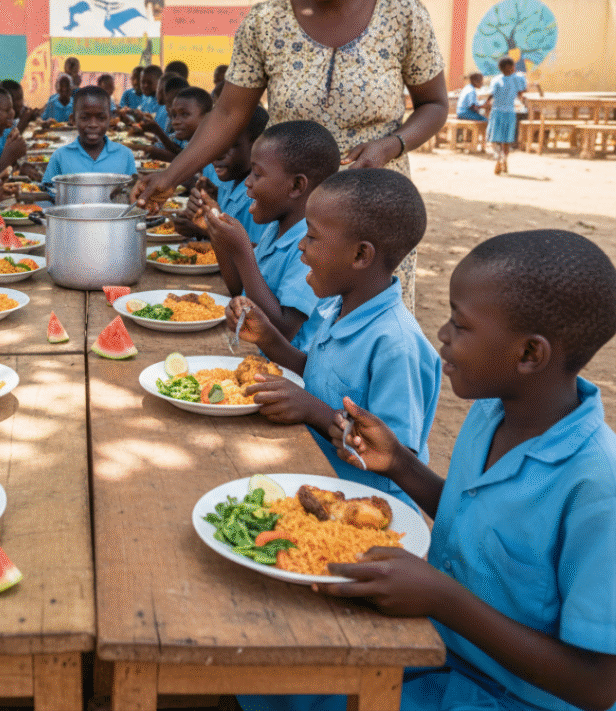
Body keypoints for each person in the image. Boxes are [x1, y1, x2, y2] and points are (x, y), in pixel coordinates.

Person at [245, 231, 616, 711]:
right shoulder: (492, 413)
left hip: (511, 699)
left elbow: (597, 685)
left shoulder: (597, 487)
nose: (441, 334)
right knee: (271, 666)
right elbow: (471, 520)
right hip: (435, 649)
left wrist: (445, 600)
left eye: (461, 326)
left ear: (529, 354)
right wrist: (399, 464)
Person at [132, 0, 448, 312]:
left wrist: (392, 143)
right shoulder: (266, 23)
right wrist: (169, 176)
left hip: (376, 210)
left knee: (367, 332)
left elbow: (434, 104)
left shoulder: (404, 14)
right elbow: (227, 114)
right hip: (294, 211)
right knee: (286, 325)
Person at [226, 168, 441, 508]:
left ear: (360, 255)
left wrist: (313, 411)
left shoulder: (396, 345)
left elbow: (391, 456)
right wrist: (269, 339)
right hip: (316, 477)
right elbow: (318, 374)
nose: (301, 245)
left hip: (364, 508)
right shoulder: (338, 305)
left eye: (311, 237)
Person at [208, 120, 339, 342]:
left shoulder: (311, 246)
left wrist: (241, 251)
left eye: (257, 174)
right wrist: (220, 241)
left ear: (297, 186)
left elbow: (284, 329)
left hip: (295, 372)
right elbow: (240, 289)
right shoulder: (276, 228)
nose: (248, 182)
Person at [174, 107, 269, 243]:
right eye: (215, 146)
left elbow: (260, 254)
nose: (217, 155)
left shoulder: (258, 198)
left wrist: (205, 230)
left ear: (256, 146)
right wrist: (207, 209)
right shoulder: (227, 184)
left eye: (229, 145)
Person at [41, 86, 137, 185]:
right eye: (84, 118)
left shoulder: (124, 155)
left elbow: (132, 190)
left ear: (110, 119)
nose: (93, 124)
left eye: (101, 118)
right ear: (73, 120)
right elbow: (47, 192)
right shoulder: (60, 156)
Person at [487, 56, 520, 175]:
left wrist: (486, 104)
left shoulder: (496, 80)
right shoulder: (517, 79)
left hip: (497, 113)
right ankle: (504, 159)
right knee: (506, 140)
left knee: (495, 139)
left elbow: (491, 96)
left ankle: (499, 157)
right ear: (511, 67)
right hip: (509, 113)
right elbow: (521, 93)